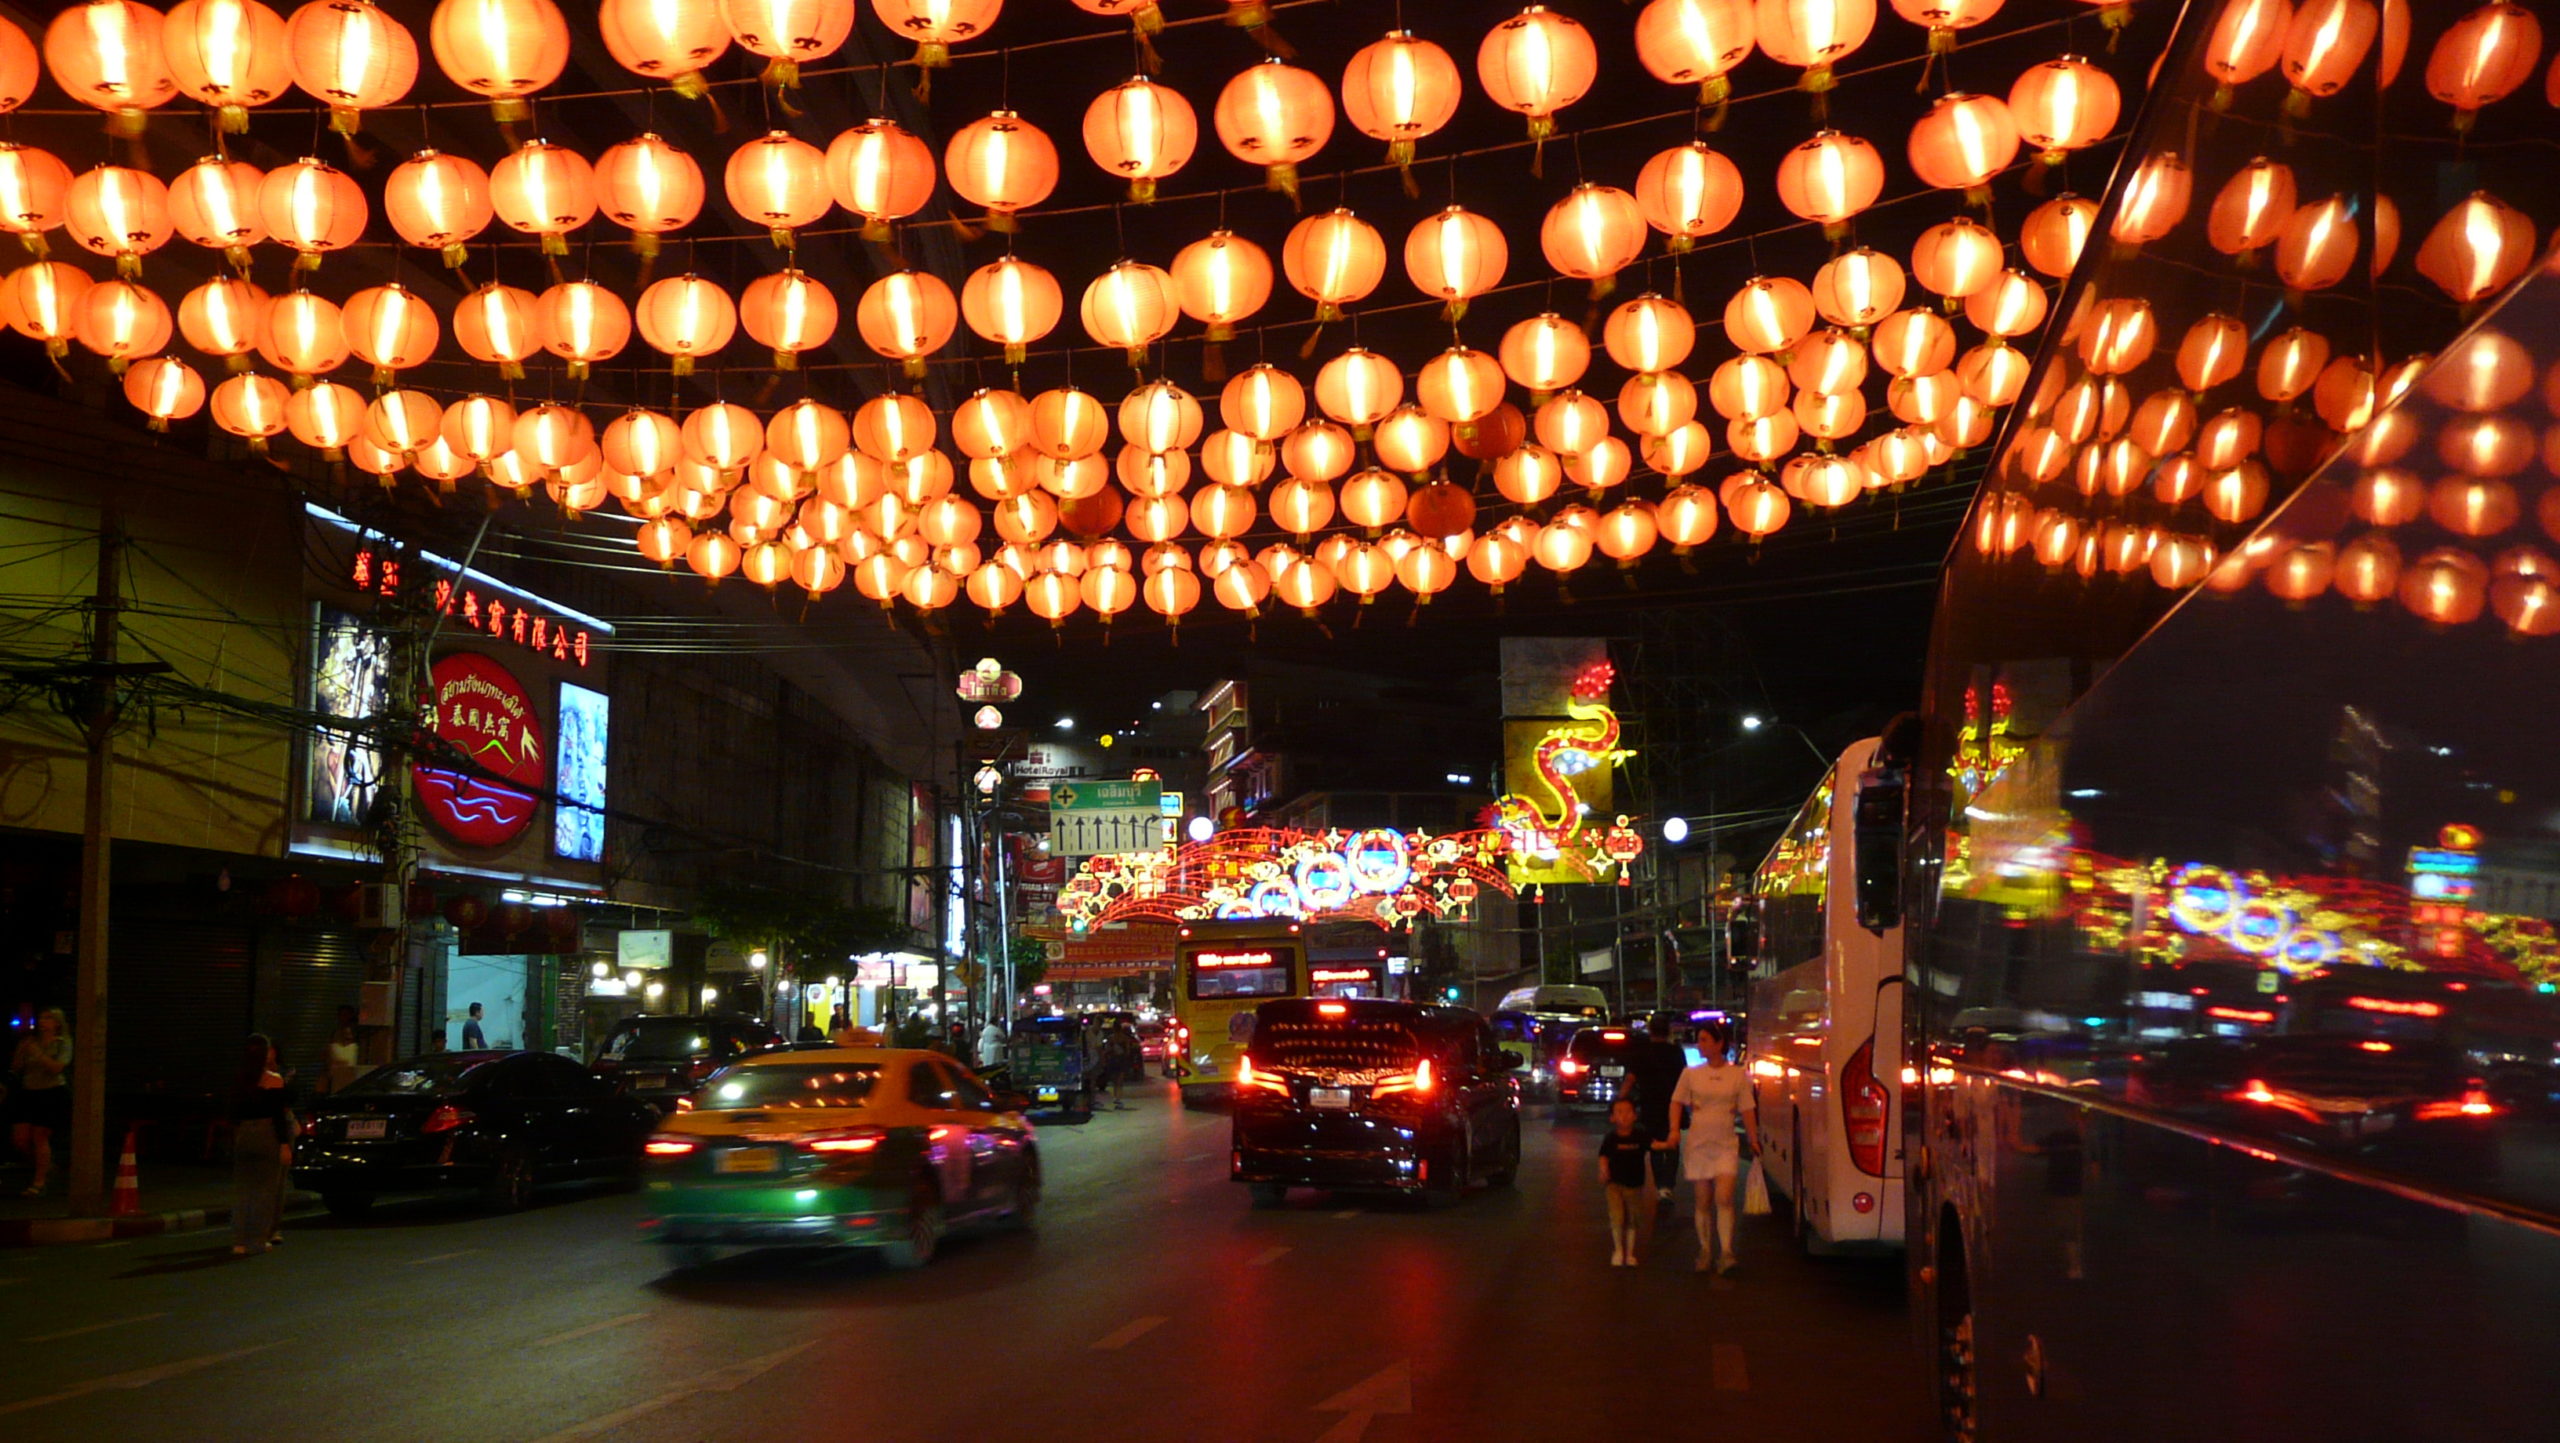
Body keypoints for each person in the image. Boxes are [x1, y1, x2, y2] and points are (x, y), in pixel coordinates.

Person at [1665, 1017, 1757, 1275]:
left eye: (1705, 1040)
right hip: (1699, 1143)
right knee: (1703, 1200)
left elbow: (1748, 1108)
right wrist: (1674, 1130)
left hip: (1725, 1143)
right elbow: (1676, 1102)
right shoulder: (1691, 1074)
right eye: (1699, 1040)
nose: (1700, 1045)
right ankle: (1706, 1249)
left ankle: (1727, 1252)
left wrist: (1754, 1138)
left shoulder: (1737, 1075)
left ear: (1719, 1043)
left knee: (1725, 1198)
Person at [230, 1034, 294, 1257]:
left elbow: (234, 1112)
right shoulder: (274, 1079)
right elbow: (278, 1116)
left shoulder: (239, 1079)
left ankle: (239, 1241)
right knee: (264, 1191)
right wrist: (284, 1144)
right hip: (267, 1134)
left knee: (243, 1189)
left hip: (245, 1133)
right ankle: (257, 1240)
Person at [1627, 1013, 1690, 1207]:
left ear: (1649, 1030)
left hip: (1650, 1106)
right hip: (1674, 1104)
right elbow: (1685, 1078)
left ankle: (1659, 1186)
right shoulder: (1676, 1052)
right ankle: (1667, 1187)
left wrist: (1621, 1100)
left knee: (1654, 1146)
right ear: (1668, 1031)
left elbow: (1630, 1079)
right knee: (1672, 1145)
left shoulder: (1642, 1052)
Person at [10, 1009, 71, 1195]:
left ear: (57, 1024)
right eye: (42, 1018)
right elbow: (16, 1067)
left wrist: (37, 1053)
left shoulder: (62, 1043)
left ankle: (39, 1182)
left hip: (51, 1092)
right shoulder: (31, 1042)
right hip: (29, 1092)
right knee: (20, 1139)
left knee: (40, 1136)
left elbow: (57, 1068)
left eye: (48, 1018)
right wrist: (21, 1052)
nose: (43, 1022)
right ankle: (46, 1165)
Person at [1598, 1098, 1657, 1268]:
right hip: (1613, 1184)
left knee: (1633, 1218)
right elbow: (1603, 1155)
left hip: (1635, 1185)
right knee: (1617, 1217)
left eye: (1628, 1112)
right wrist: (1603, 1170)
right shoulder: (1611, 1138)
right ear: (1612, 1117)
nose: (1624, 1116)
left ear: (1635, 1116)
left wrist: (1667, 1144)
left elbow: (1653, 1145)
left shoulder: (1640, 1135)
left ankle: (1630, 1252)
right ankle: (1618, 1249)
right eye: (1619, 1112)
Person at [323, 1004, 362, 1095]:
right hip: (334, 1079)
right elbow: (327, 1057)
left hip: (350, 1079)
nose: (343, 1018)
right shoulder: (334, 1035)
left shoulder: (357, 1040)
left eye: (346, 1015)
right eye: (341, 1015)